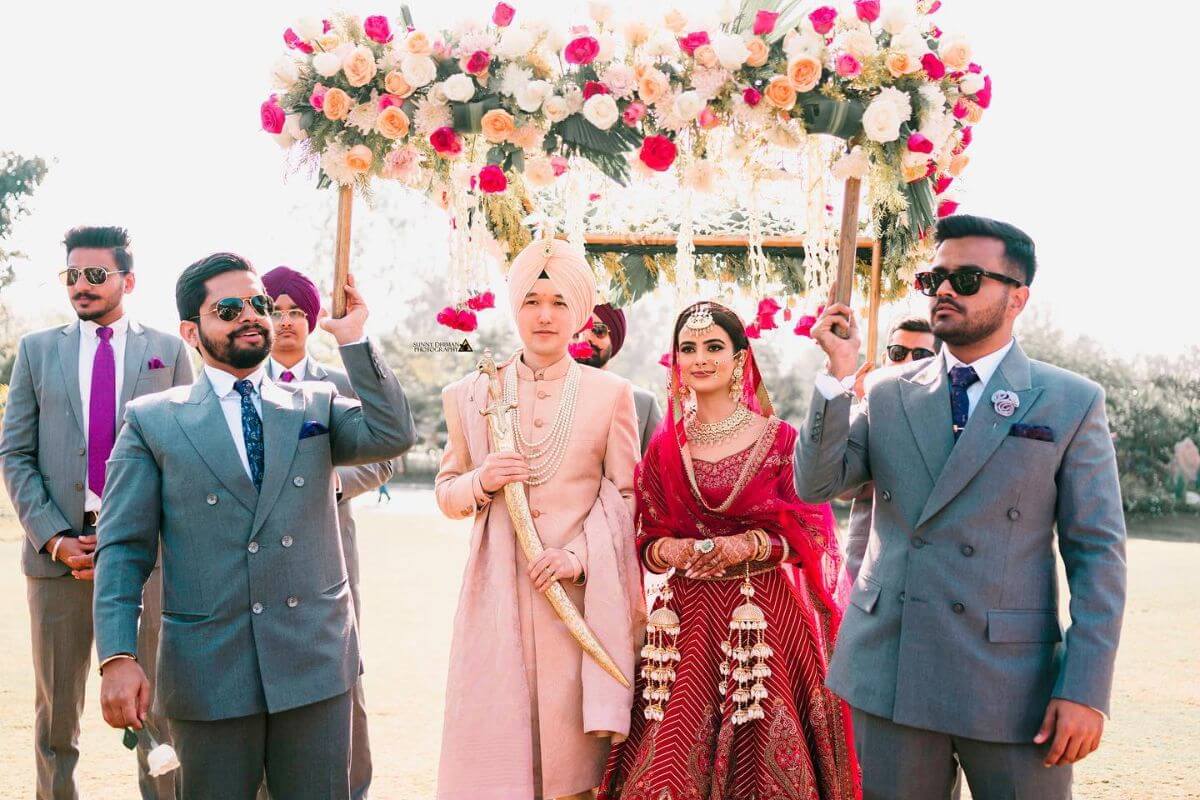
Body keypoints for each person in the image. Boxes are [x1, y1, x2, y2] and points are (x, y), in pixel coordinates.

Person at [796, 215, 1127, 799]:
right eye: (936, 278)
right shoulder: (888, 392)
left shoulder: (1071, 400)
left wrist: (1084, 688)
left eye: (968, 278)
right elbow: (817, 484)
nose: (945, 290)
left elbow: (1097, 555)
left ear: (1017, 296)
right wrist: (838, 376)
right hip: (891, 669)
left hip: (1012, 685)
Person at [92, 253, 415, 800]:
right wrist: (118, 656)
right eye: (229, 307)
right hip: (209, 672)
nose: (252, 315)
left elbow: (392, 435)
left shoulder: (315, 401)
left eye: (258, 303)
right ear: (190, 331)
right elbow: (122, 549)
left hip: (314, 663)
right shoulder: (152, 421)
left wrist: (354, 340)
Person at [599, 302, 860, 800]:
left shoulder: (780, 439)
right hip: (684, 625)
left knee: (765, 763)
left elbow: (813, 528)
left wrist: (753, 543)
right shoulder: (663, 448)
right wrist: (673, 552)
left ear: (740, 358)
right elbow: (648, 539)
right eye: (688, 349)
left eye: (714, 347)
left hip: (764, 623)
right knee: (670, 760)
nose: (700, 358)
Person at [434, 237, 644, 800]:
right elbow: (447, 492)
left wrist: (578, 556)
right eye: (531, 300)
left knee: (573, 768)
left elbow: (628, 499)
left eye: (558, 302)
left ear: (579, 314)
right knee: (497, 756)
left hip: (577, 605)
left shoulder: (612, 395)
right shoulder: (469, 392)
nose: (545, 315)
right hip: (496, 595)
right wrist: (482, 480)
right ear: (514, 308)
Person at [0, 225, 192, 800]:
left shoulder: (169, 350)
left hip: (145, 558)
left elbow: (184, 451)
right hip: (60, 558)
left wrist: (132, 539)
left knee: (156, 705)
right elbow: (15, 452)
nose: (81, 286)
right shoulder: (36, 351)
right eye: (72, 275)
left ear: (127, 280)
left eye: (95, 274)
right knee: (56, 716)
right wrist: (56, 539)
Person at [261, 265, 393, 800]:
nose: (286, 321)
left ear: (314, 320)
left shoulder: (341, 384)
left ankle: (350, 788)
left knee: (342, 675)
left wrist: (330, 484)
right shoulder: (241, 384)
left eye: (297, 311)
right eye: (275, 309)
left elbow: (382, 457)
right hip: (256, 560)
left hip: (330, 551)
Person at [843, 316, 939, 581]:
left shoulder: (952, 420)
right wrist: (866, 404)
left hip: (931, 573)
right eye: (897, 353)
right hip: (868, 570)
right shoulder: (864, 410)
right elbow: (845, 489)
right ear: (886, 359)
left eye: (920, 355)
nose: (907, 363)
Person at [572, 303, 663, 455]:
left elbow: (659, 469)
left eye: (598, 330)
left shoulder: (643, 404)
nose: (586, 338)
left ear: (614, 338)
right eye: (577, 332)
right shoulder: (546, 395)